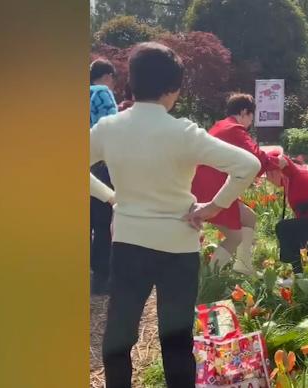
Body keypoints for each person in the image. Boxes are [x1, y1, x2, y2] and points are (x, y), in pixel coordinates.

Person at [90, 42, 260, 388]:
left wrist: (112, 198)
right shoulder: (184, 133)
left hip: (128, 243)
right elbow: (248, 165)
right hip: (178, 247)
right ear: (174, 89)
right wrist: (212, 207)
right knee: (176, 343)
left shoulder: (108, 128)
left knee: (118, 338)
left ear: (130, 83)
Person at [191, 94, 282, 276]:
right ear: (243, 112)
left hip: (205, 184)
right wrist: (276, 159)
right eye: (251, 116)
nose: (251, 122)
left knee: (249, 218)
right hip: (212, 188)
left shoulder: (221, 125)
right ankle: (207, 277)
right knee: (235, 237)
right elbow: (255, 157)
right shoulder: (234, 129)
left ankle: (243, 265)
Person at [89, 58, 118, 295]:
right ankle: (101, 277)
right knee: (101, 221)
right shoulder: (102, 93)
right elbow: (111, 127)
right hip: (98, 162)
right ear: (107, 76)